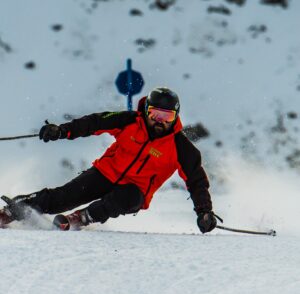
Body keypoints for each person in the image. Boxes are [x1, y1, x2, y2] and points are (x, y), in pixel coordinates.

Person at [0, 87, 219, 233]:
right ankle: (13, 211)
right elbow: (95, 123)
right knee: (62, 197)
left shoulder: (181, 148)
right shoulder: (129, 121)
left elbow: (196, 181)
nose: (159, 122)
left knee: (130, 197)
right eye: (155, 115)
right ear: (146, 111)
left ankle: (81, 218)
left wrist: (204, 212)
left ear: (176, 117)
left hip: (134, 190)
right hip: (105, 173)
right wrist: (62, 131)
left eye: (167, 117)